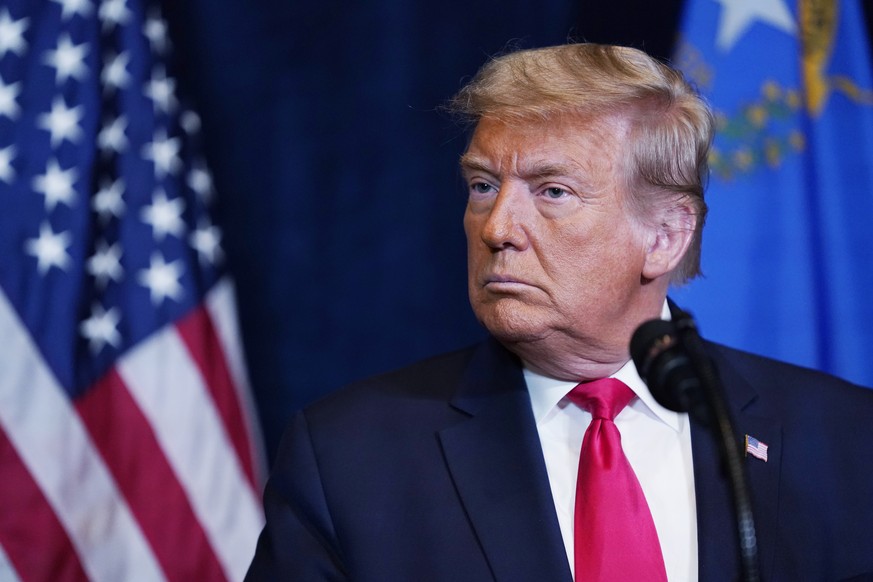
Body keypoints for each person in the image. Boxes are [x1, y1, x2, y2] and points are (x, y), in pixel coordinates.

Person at [245, 43, 873, 581]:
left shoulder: (844, 440)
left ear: (664, 236)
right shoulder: (349, 458)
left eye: (552, 192)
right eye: (483, 186)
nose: (497, 228)